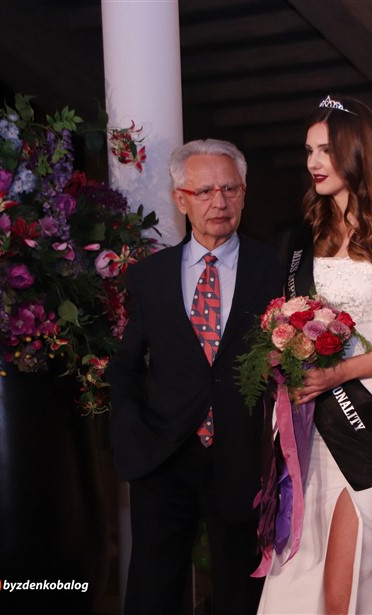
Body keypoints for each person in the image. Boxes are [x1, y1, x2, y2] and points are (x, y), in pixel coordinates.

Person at [256, 95, 372, 614]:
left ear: (358, 151)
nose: (314, 162)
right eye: (309, 151)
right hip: (302, 419)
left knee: (352, 576)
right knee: (297, 571)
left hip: (362, 417)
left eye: (326, 150)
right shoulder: (304, 237)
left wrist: (340, 371)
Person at [107, 140, 280, 614]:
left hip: (244, 457)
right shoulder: (149, 277)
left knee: (242, 593)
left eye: (230, 189)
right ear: (180, 200)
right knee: (153, 591)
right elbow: (125, 365)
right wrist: (131, 433)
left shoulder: (275, 269)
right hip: (164, 457)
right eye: (204, 191)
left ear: (244, 194)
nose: (218, 202)